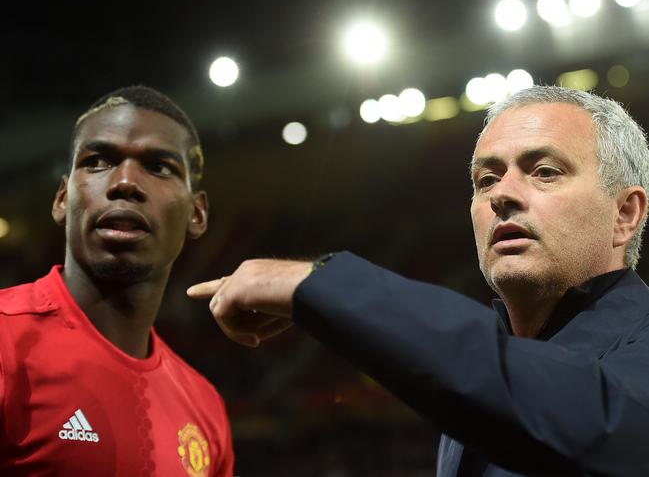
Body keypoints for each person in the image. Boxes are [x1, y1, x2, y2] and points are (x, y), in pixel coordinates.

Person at [188, 86, 649, 476]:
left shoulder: (498, 376)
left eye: (545, 172)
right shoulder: (475, 384)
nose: (502, 194)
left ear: (625, 214)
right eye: (485, 179)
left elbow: (584, 411)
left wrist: (322, 285)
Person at [0, 86, 234, 476]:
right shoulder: (5, 343)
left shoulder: (205, 410)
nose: (125, 182)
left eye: (158, 167)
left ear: (197, 213)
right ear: (62, 199)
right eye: (97, 161)